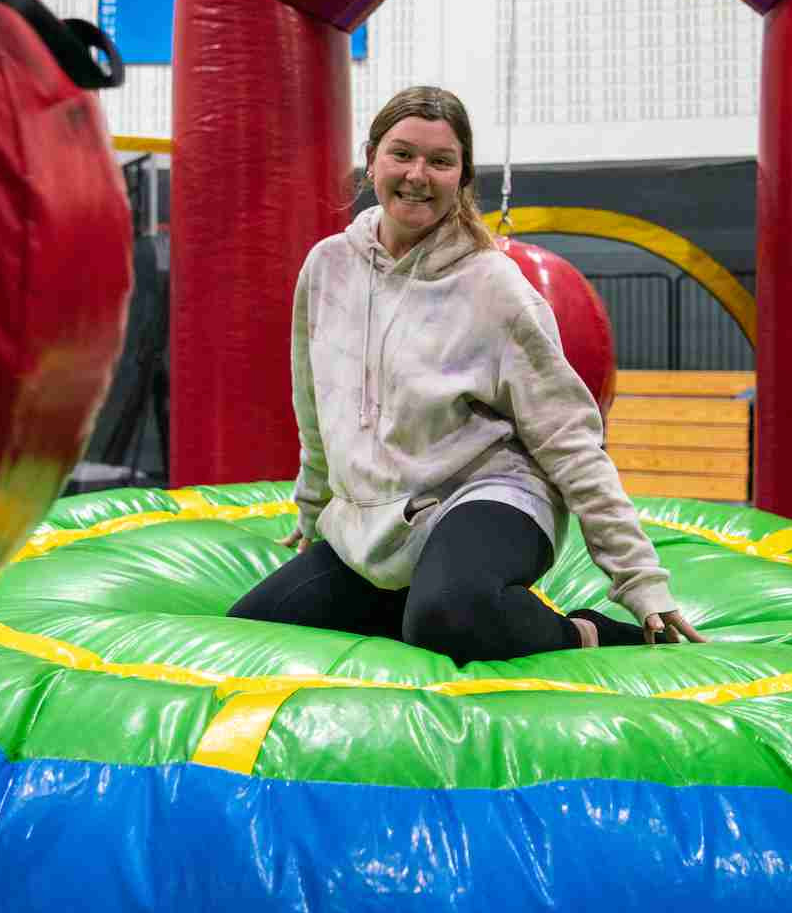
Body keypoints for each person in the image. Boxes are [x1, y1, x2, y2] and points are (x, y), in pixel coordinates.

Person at [228, 85, 705, 664]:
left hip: (492, 495)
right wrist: (313, 510)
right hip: (385, 516)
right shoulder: (328, 266)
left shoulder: (494, 287)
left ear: (462, 177)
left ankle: (585, 632)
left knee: (448, 613)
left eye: (440, 161)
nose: (417, 175)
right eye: (402, 154)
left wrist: (638, 578)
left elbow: (570, 438)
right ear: (373, 157)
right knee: (253, 627)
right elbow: (315, 403)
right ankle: (425, 607)